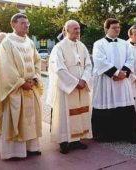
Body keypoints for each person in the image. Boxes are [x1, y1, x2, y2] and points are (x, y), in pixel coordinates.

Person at [0, 13, 43, 161]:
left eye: (27, 23)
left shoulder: (30, 42)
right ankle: (14, 152)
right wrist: (21, 83)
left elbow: (37, 61)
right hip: (15, 89)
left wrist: (34, 78)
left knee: (31, 119)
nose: (27, 25)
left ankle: (31, 148)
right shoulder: (7, 43)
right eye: (23, 23)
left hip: (30, 86)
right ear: (13, 25)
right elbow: (6, 68)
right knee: (15, 119)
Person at [46, 20, 92, 154]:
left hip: (81, 86)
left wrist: (84, 80)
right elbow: (58, 68)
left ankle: (76, 140)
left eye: (78, 28)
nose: (78, 31)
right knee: (64, 115)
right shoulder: (59, 47)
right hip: (67, 88)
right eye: (74, 29)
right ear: (66, 31)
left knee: (80, 112)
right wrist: (74, 82)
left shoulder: (82, 46)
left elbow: (88, 64)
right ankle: (64, 142)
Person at [92, 18, 136, 144]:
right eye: (114, 28)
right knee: (108, 103)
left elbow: (130, 59)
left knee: (125, 105)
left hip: (123, 81)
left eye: (118, 27)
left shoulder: (125, 43)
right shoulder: (99, 44)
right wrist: (116, 73)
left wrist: (123, 73)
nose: (117, 29)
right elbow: (100, 61)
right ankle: (107, 135)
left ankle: (129, 134)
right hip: (107, 81)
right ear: (106, 29)